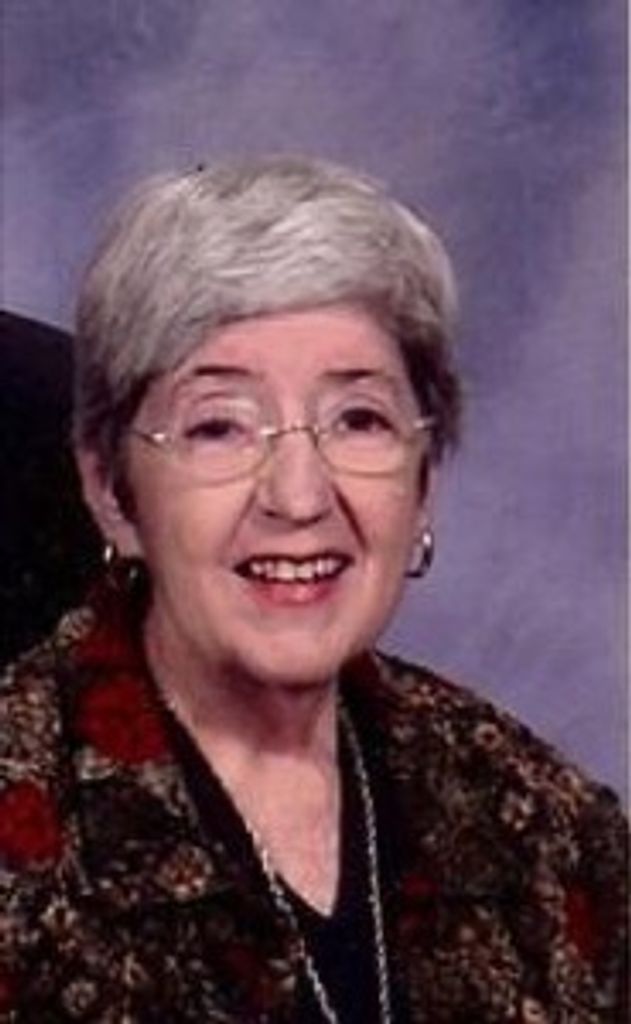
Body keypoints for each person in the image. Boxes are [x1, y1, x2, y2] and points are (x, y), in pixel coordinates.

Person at [0, 155, 627, 1024]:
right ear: (111, 491)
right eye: (219, 427)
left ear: (422, 481)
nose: (298, 497)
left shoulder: (545, 828)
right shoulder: (23, 836)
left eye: (358, 419)